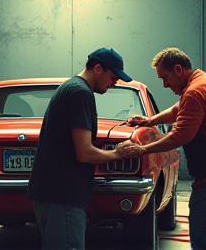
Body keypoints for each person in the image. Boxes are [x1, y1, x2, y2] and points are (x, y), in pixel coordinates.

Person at [123, 47, 206, 250]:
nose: (164, 85)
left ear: (178, 69)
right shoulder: (205, 82)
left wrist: (143, 150)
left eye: (165, 77)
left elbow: (180, 136)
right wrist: (150, 121)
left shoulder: (195, 92)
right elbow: (178, 109)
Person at [27, 47, 132, 250]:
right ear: (98, 69)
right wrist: (118, 153)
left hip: (54, 195)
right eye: (113, 77)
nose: (115, 82)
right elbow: (84, 152)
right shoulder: (80, 93)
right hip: (62, 197)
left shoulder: (71, 88)